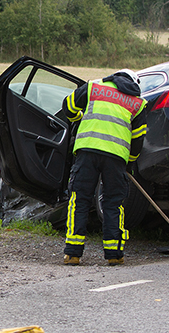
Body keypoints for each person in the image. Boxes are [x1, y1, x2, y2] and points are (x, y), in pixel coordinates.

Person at [59, 69, 147, 266]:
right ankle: (114, 254)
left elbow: (68, 106)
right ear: (134, 84)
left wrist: (78, 119)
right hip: (116, 158)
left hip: (87, 150)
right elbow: (138, 139)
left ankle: (73, 253)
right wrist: (129, 164)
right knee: (113, 202)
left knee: (79, 199)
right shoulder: (138, 104)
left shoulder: (94, 87)